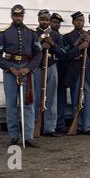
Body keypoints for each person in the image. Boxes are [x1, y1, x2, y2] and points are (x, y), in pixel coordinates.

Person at [0, 4, 42, 147]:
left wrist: (29, 68)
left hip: (26, 69)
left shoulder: (31, 32)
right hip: (10, 70)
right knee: (11, 104)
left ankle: (28, 136)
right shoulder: (4, 32)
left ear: (23, 16)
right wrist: (10, 68)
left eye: (20, 15)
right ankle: (13, 136)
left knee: (28, 103)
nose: (18, 18)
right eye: (15, 15)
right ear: (11, 16)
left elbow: (38, 53)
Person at [62, 11, 90, 135]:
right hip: (75, 69)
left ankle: (88, 126)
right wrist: (79, 47)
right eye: (77, 21)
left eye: (82, 21)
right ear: (73, 22)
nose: (80, 23)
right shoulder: (67, 37)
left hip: (88, 70)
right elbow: (66, 55)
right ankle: (77, 125)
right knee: (76, 97)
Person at [33, 9, 65, 137]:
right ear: (38, 20)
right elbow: (29, 51)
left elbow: (63, 53)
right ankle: (36, 125)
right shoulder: (33, 34)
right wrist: (41, 46)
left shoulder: (55, 35)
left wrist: (52, 44)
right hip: (37, 67)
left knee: (51, 98)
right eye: (42, 19)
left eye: (47, 19)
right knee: (36, 98)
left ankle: (50, 128)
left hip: (51, 66)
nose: (44, 22)